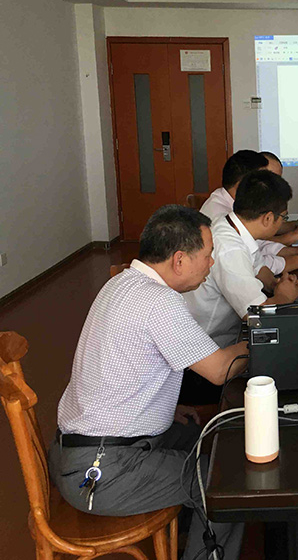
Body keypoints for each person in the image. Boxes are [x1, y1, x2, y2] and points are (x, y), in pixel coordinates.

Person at [49, 205, 247, 560]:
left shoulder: (121, 282)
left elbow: (123, 369)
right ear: (180, 260)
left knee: (210, 439)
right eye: (208, 254)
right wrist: (263, 338)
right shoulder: (158, 301)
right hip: (101, 470)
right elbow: (221, 369)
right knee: (226, 483)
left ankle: (191, 529)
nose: (211, 263)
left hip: (86, 447)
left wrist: (163, 408)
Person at [185, 170, 298, 351]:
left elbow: (259, 268)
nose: (282, 223)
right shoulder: (230, 248)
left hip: (226, 336)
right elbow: (259, 318)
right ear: (268, 218)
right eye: (283, 217)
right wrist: (284, 296)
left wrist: (279, 284)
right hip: (208, 348)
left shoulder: (232, 225)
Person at [201, 150, 298, 276]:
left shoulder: (239, 210)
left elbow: (259, 248)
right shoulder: (221, 217)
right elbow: (257, 265)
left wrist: (296, 251)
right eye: (264, 181)